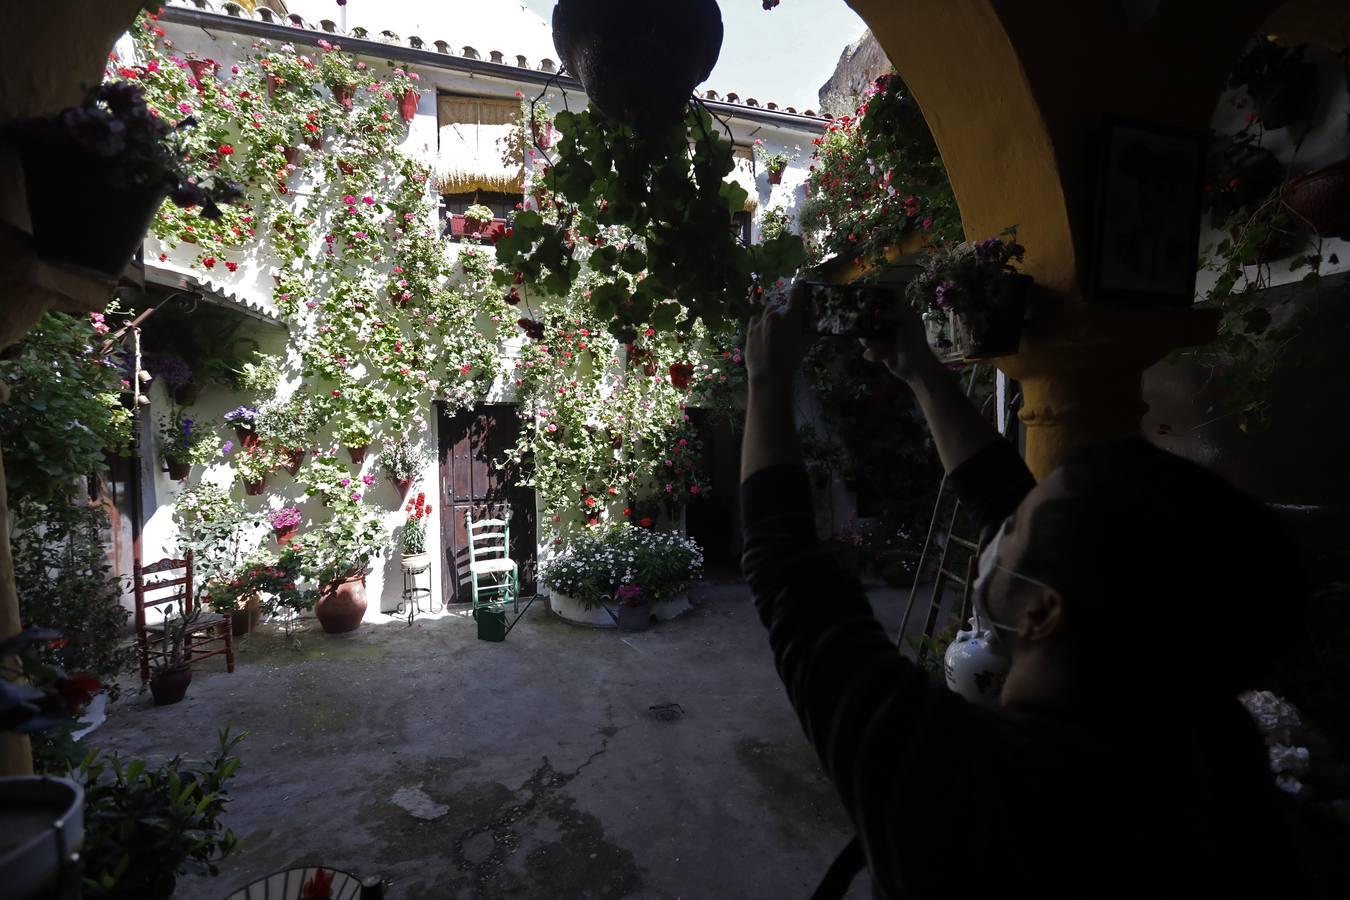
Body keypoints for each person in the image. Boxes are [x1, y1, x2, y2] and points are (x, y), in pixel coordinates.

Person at [739, 283, 1314, 899]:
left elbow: (789, 573)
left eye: (1013, 530)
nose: (1000, 525)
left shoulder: (955, 783)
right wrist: (920, 372)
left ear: (1042, 612)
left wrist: (768, 384)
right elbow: (1025, 513)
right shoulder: (1211, 745)